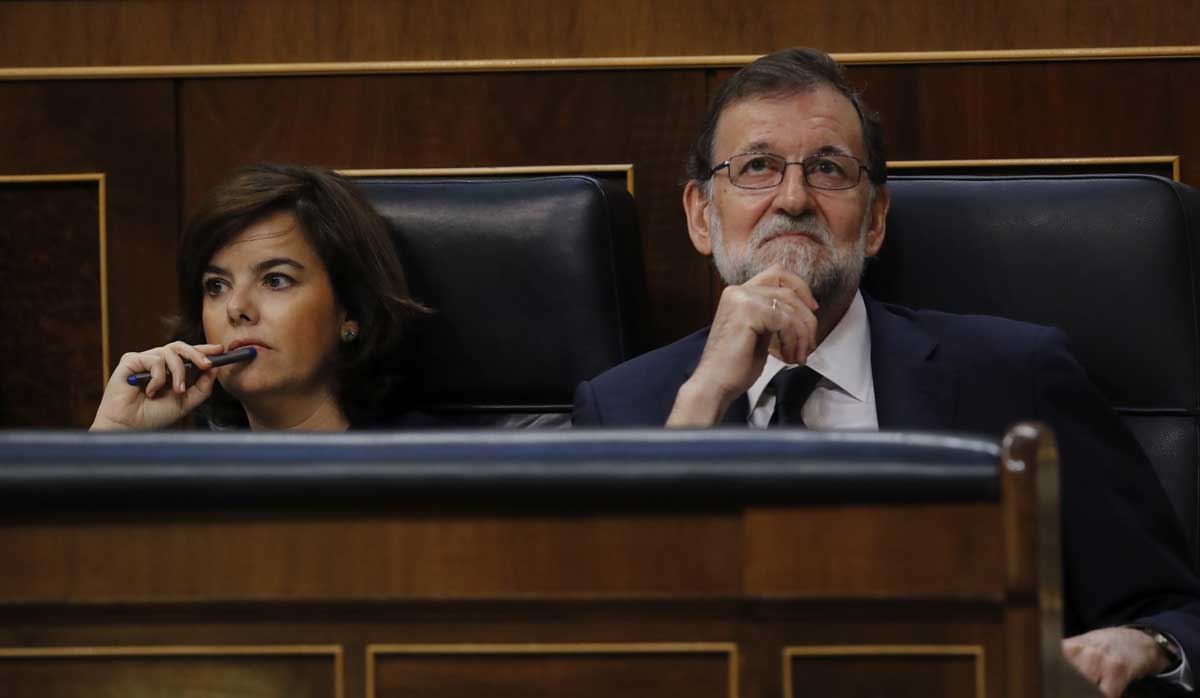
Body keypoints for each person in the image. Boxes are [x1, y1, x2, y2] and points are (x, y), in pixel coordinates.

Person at [573, 48, 1200, 696]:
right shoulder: (624, 410)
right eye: (757, 167)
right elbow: (597, 654)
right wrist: (703, 396)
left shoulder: (1017, 376)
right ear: (702, 216)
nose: (794, 198)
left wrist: (1147, 644)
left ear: (873, 221)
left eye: (827, 168)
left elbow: (1177, 614)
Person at [91, 163, 426, 432]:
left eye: (275, 280)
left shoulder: (419, 470)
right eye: (217, 286)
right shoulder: (190, 479)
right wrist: (112, 436)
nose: (236, 308)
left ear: (351, 311)